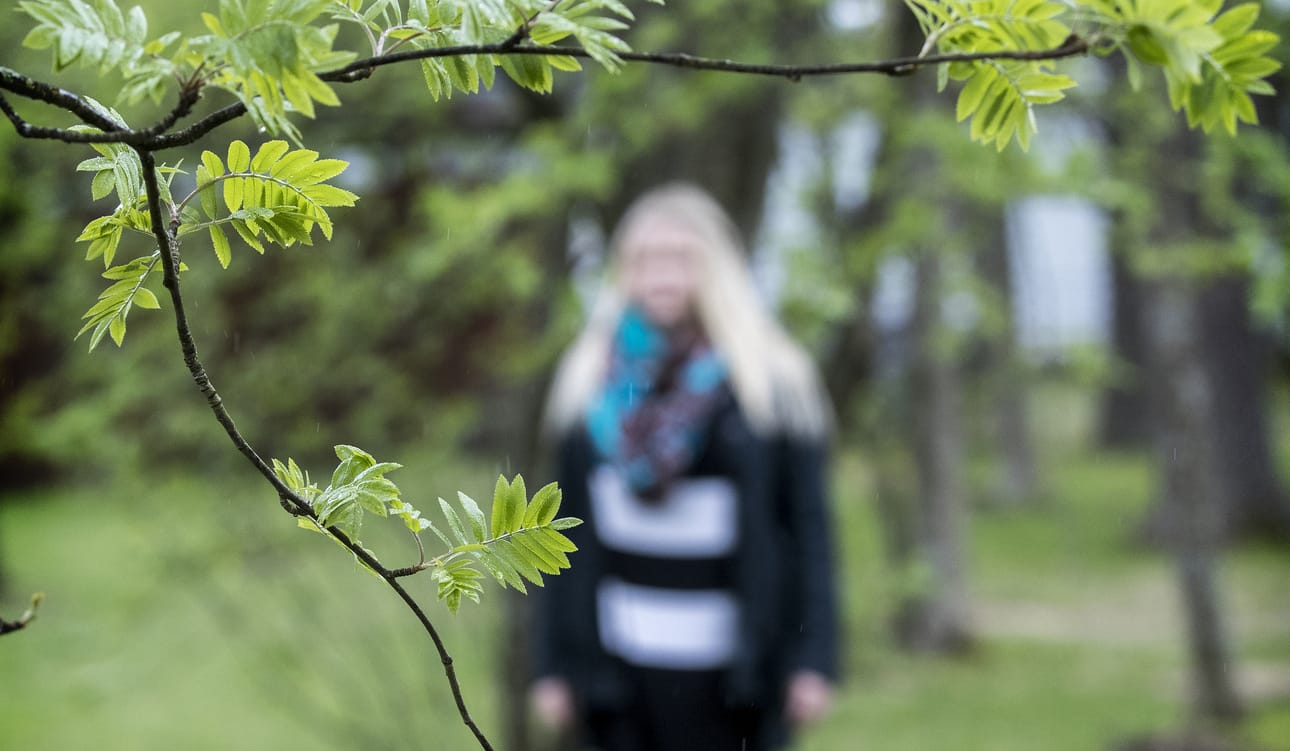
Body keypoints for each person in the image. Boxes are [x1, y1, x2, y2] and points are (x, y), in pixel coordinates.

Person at [529, 183, 840, 751]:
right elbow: (555, 538)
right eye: (645, 258)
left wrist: (813, 659)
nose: (661, 275)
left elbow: (809, 530)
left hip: (738, 684)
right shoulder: (587, 382)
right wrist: (551, 666)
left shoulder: (773, 383)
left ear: (715, 267)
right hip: (619, 681)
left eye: (680, 258)